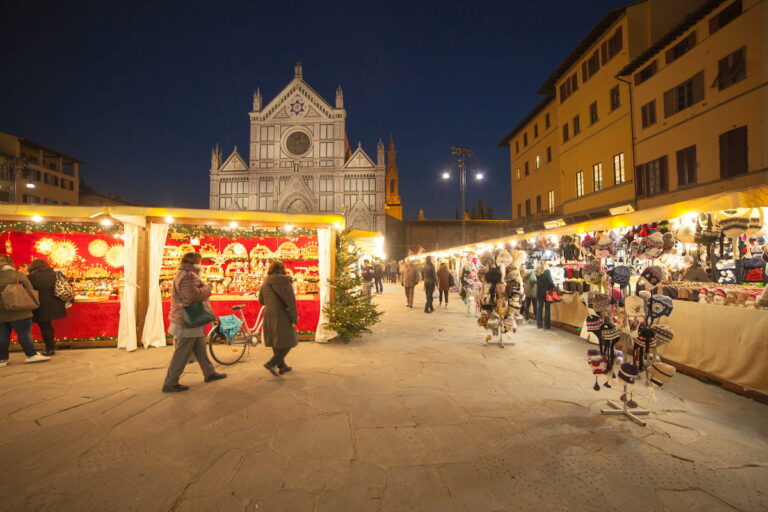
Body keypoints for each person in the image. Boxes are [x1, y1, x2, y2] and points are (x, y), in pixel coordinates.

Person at [162, 252, 226, 392]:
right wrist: (208, 288)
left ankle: (209, 373)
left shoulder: (185, 274)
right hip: (188, 319)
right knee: (182, 352)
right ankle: (170, 382)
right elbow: (191, 296)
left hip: (190, 320)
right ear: (195, 262)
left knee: (200, 349)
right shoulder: (188, 276)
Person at [0, 255, 50, 367]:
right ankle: (31, 355)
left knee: (2, 335)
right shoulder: (17, 274)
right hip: (19, 309)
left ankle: (2, 359)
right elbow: (29, 288)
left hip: (1, 312)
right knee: (23, 333)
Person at [259, 261, 299, 376]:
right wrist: (294, 319)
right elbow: (291, 303)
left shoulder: (265, 283)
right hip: (283, 316)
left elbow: (261, 301)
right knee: (290, 341)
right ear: (283, 270)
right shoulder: (286, 283)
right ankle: (271, 363)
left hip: (269, 315)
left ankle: (282, 366)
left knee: (276, 341)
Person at [27, 259, 68, 356]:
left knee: (45, 326)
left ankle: (50, 349)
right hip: (57, 304)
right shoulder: (57, 274)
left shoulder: (30, 277)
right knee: (48, 326)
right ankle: (51, 346)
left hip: (39, 306)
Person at [535, 261, 555, 329]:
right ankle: (546, 325)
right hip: (547, 293)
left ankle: (539, 324)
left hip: (539, 292)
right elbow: (550, 282)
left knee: (539, 309)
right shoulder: (547, 272)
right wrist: (553, 286)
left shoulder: (536, 273)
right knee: (547, 309)